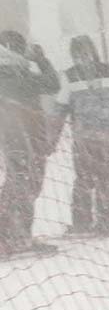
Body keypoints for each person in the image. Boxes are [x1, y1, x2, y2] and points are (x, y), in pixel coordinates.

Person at [59, 35, 109, 235]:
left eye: (85, 53)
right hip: (82, 138)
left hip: (105, 136)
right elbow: (60, 106)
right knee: (83, 178)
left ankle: (107, 216)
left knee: (105, 176)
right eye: (77, 54)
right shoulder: (69, 76)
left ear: (93, 52)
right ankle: (81, 221)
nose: (82, 58)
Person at [0, 30, 60, 257]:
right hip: (17, 137)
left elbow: (49, 85)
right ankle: (9, 237)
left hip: (27, 137)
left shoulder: (17, 73)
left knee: (25, 185)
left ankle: (19, 236)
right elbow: (52, 83)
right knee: (21, 185)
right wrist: (41, 61)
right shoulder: (10, 75)